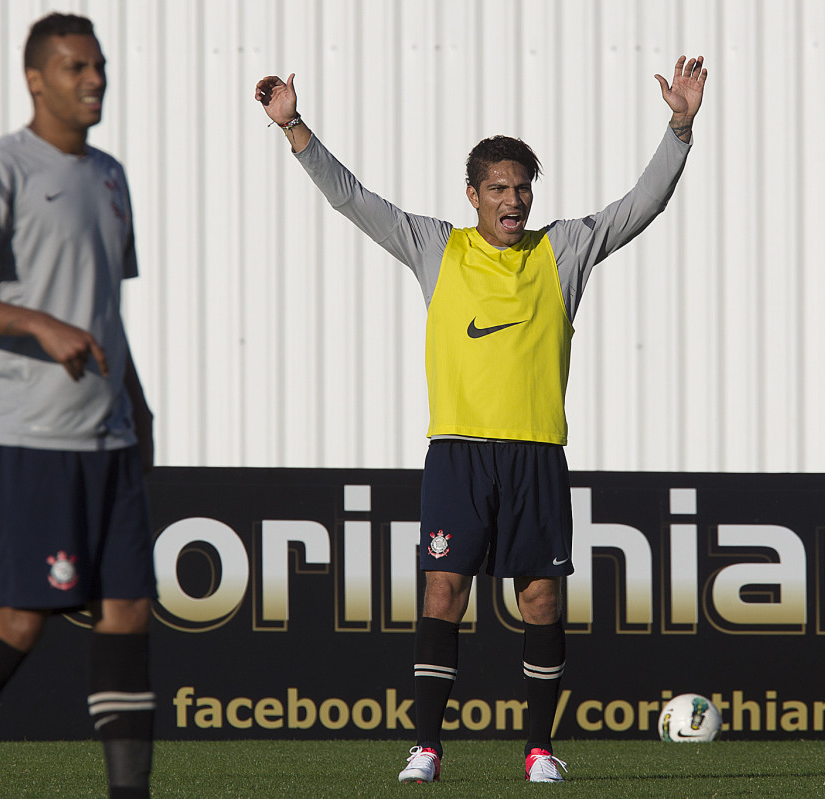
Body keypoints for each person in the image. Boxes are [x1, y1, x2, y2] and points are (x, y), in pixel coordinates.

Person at [256, 54, 706, 784]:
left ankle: (537, 749)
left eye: (523, 189)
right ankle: (427, 746)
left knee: (541, 597)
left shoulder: (564, 249)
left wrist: (679, 128)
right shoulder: (437, 245)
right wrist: (294, 127)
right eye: (499, 188)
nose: (513, 201)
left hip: (535, 455)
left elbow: (642, 203)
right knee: (443, 589)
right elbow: (353, 199)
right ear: (472, 194)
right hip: (458, 454)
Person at [0, 13, 157, 799]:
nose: (94, 81)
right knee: (19, 620)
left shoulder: (110, 175)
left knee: (129, 609)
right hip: (23, 437)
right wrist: (38, 325)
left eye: (101, 67)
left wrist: (139, 410)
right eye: (76, 67)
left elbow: (105, 309)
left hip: (106, 436)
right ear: (36, 78)